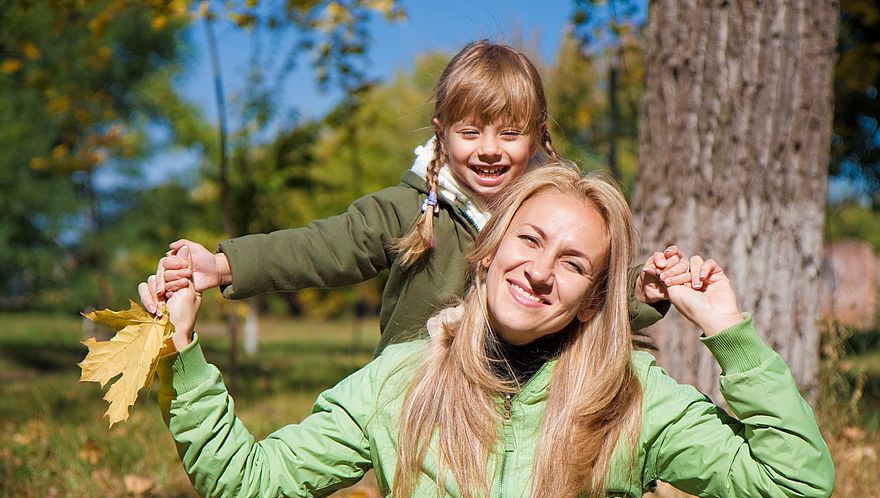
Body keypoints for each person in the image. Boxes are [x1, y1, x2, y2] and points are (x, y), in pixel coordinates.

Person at [146, 161, 834, 498]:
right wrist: (184, 353)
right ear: (489, 247)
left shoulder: (630, 392)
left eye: (573, 262)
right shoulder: (404, 377)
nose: (540, 270)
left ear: (594, 295)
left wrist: (729, 333)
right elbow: (246, 488)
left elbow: (795, 477)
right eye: (529, 239)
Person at [140, 40, 692, 354]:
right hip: (417, 394)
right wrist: (223, 264)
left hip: (521, 398)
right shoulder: (409, 208)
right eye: (470, 133)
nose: (488, 150)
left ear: (539, 135)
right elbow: (323, 247)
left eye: (509, 132)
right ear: (441, 132)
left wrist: (642, 292)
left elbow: (583, 293)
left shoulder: (549, 216)